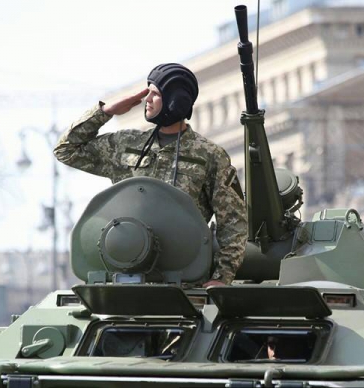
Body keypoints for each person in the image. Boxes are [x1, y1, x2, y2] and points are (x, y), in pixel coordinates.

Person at [54, 63, 247, 286]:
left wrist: (222, 278)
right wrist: (105, 112)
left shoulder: (209, 156)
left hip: (181, 279)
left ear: (176, 101)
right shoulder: (126, 144)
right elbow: (66, 150)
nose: (147, 100)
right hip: (125, 273)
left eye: (154, 94)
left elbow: (233, 220)